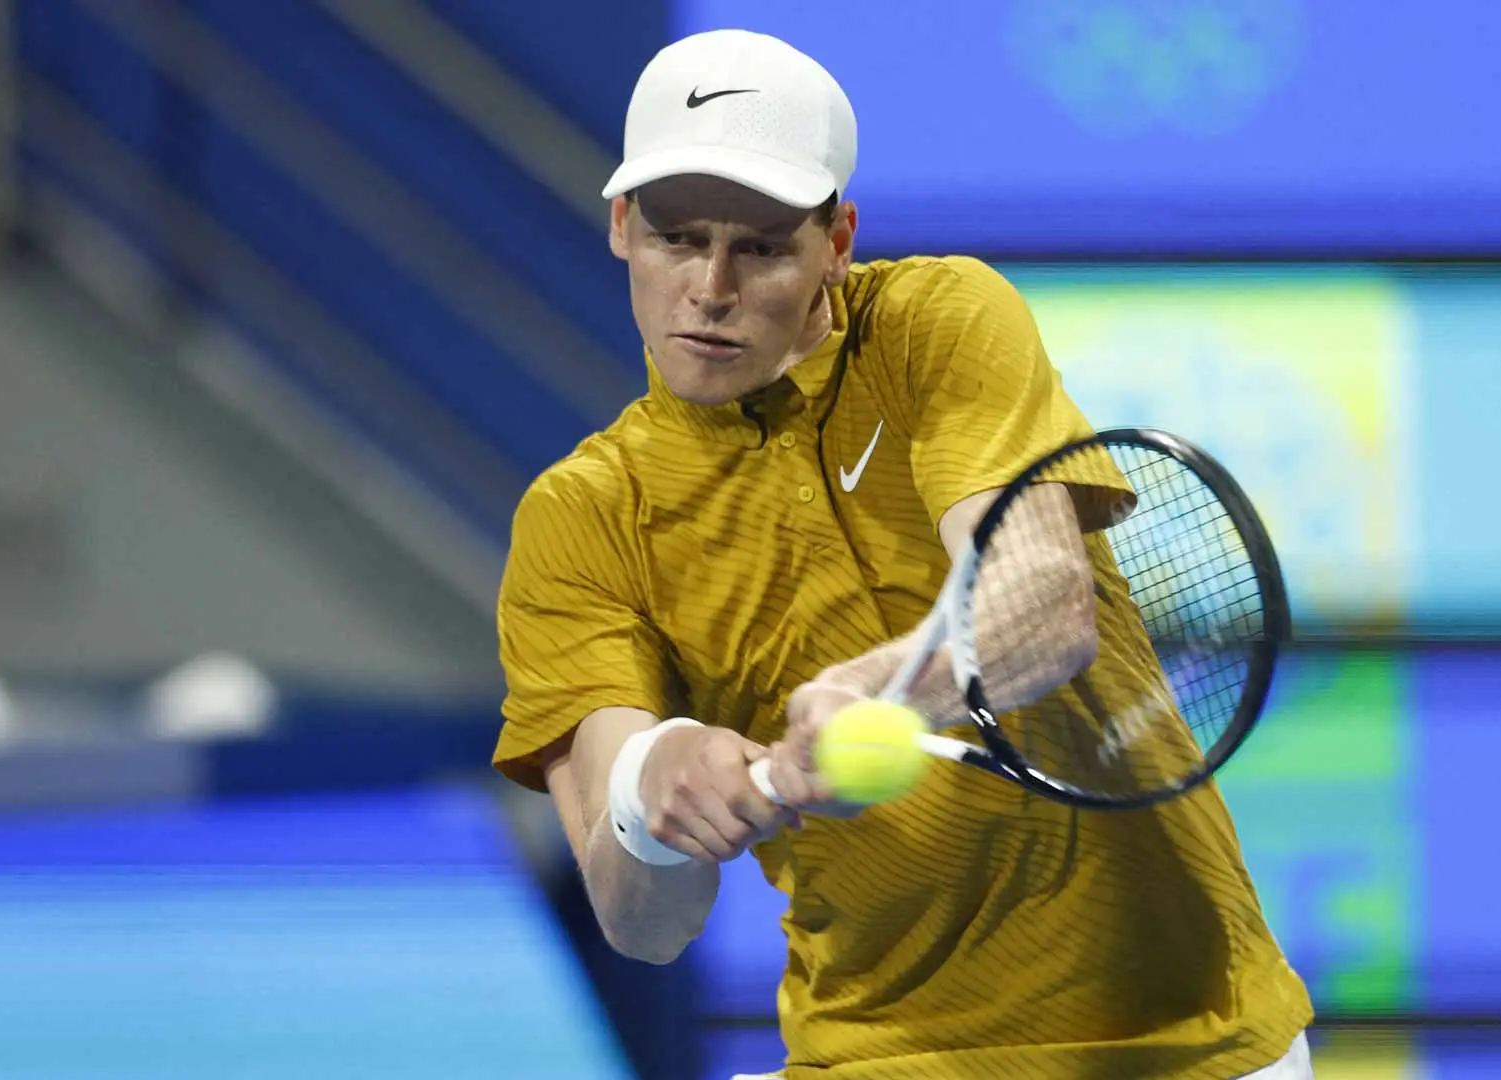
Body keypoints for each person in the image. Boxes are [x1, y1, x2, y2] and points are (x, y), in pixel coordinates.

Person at [494, 27, 1316, 1080]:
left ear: (837, 241)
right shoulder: (582, 516)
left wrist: (883, 695)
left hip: (1195, 1046)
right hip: (873, 1055)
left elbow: (1043, 605)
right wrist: (652, 793)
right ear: (621, 225)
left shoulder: (936, 321)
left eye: (762, 248)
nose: (710, 287)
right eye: (676, 238)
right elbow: (643, 923)